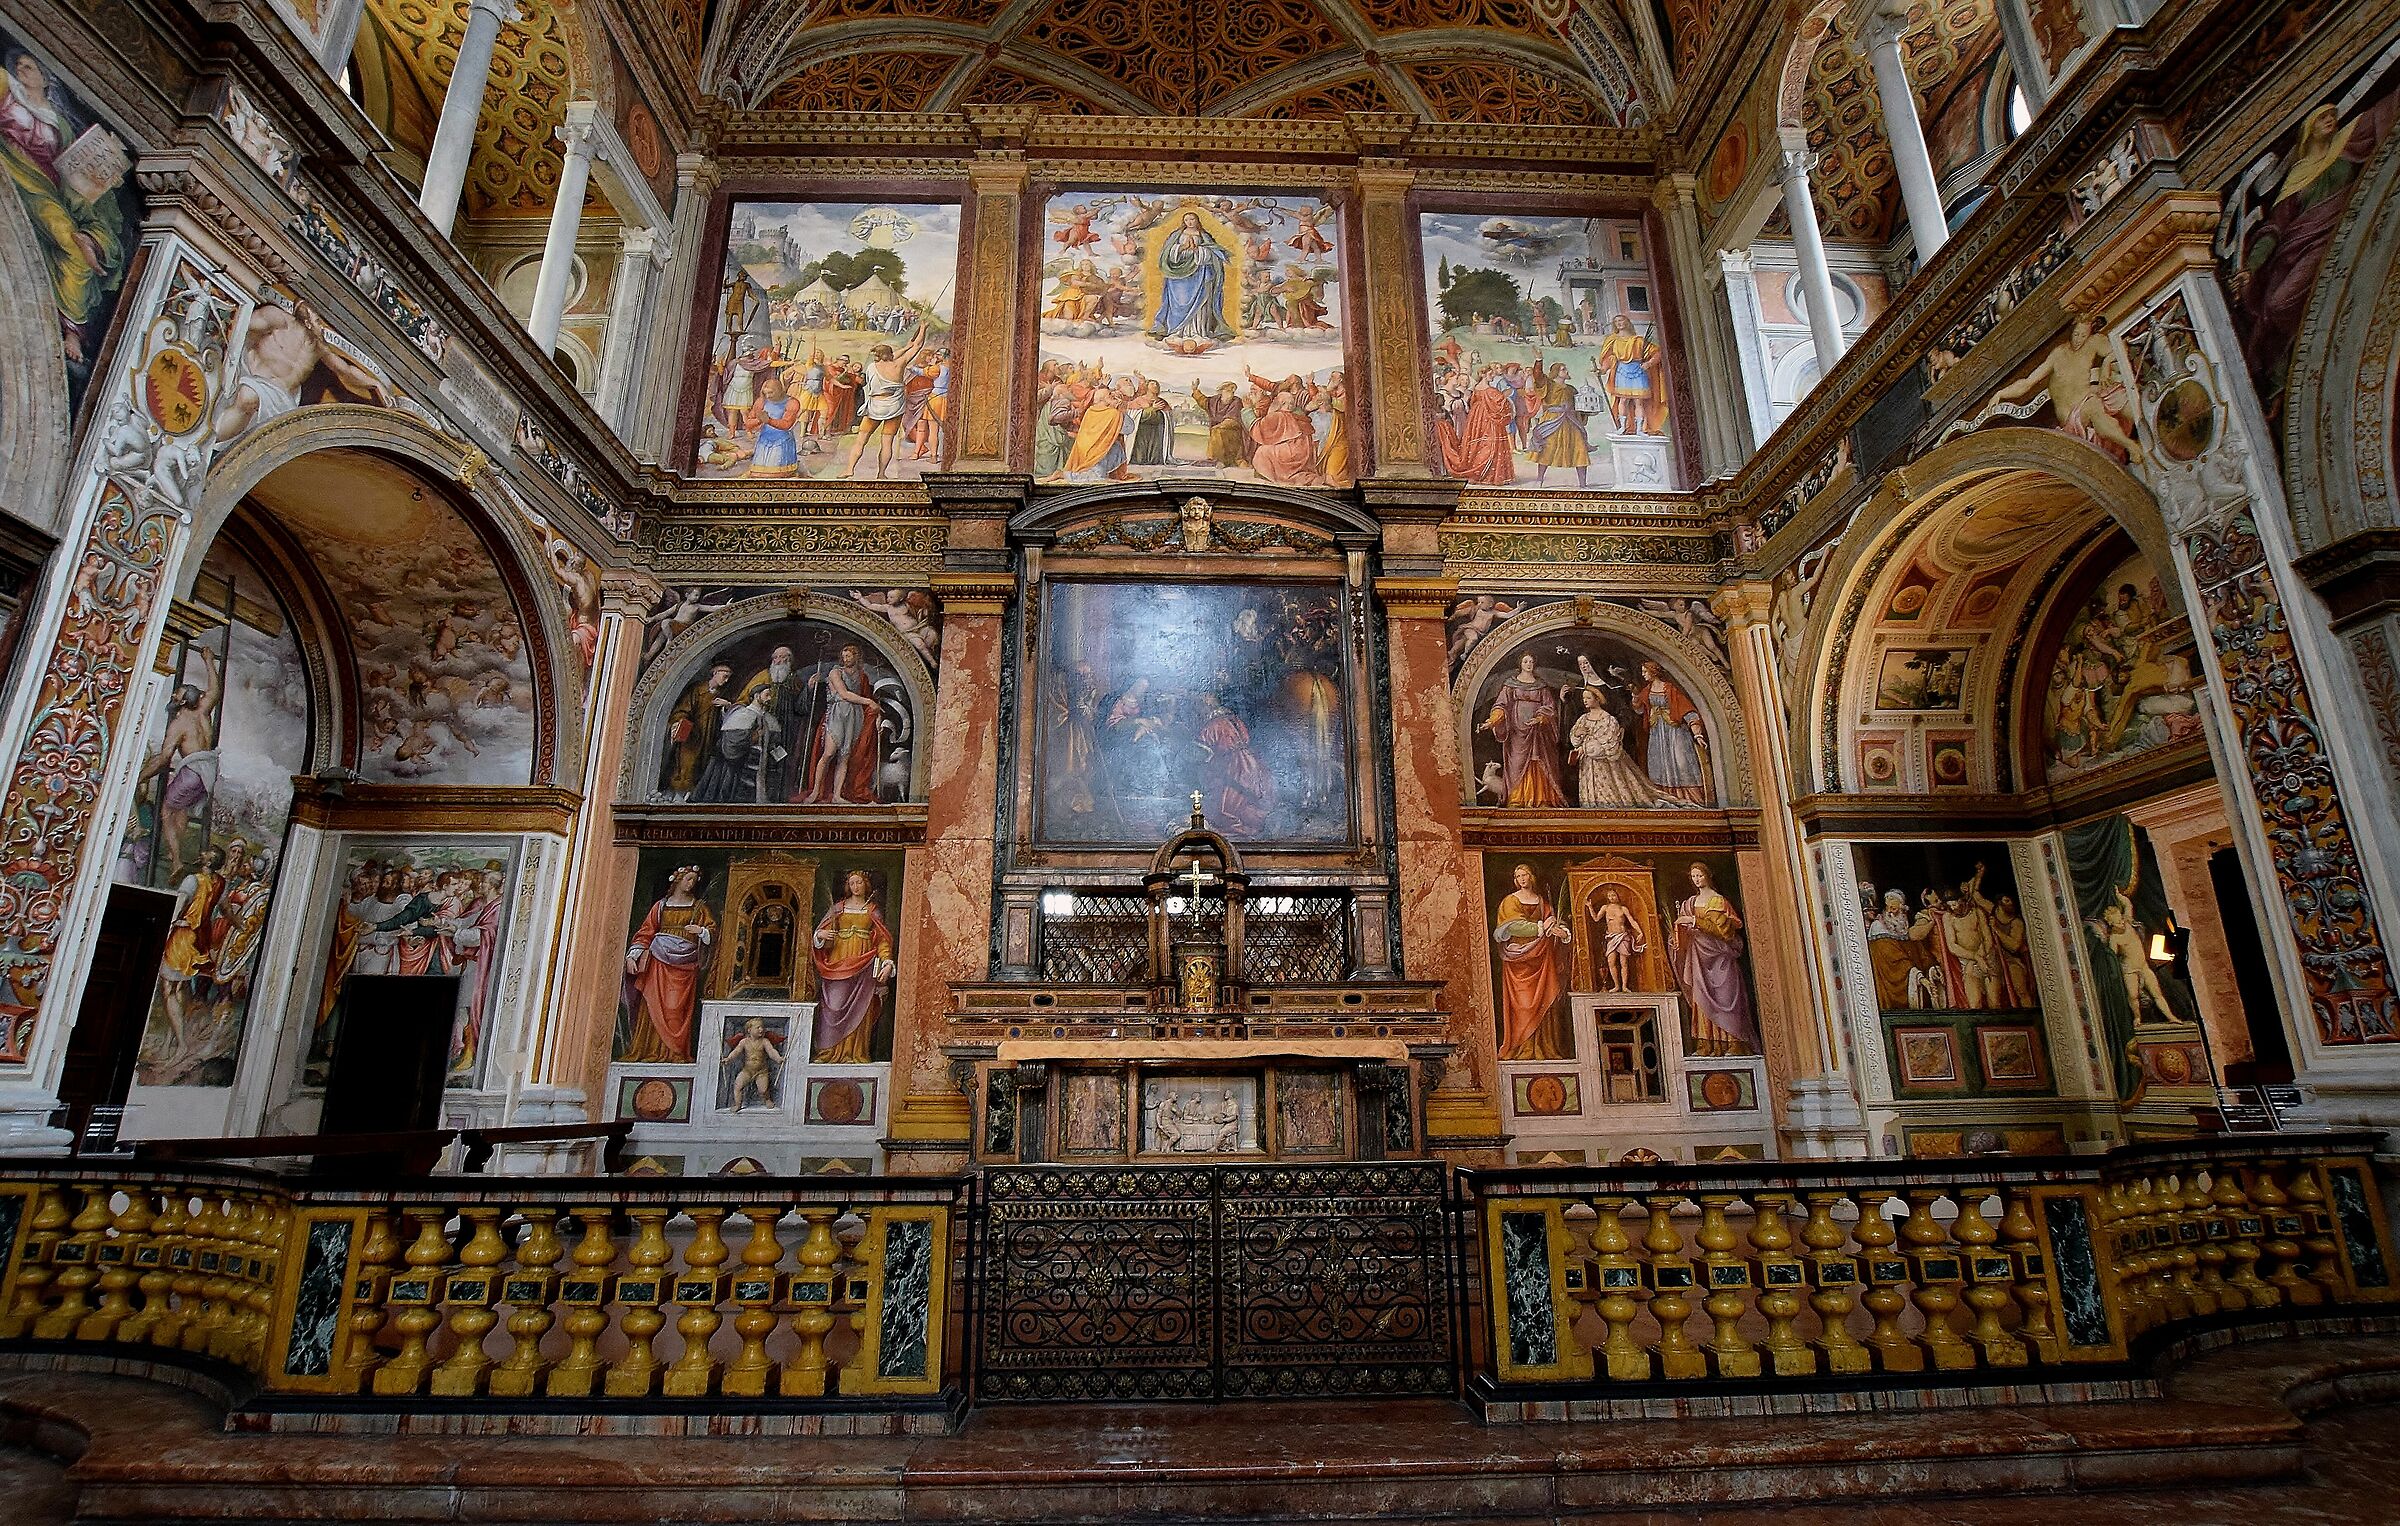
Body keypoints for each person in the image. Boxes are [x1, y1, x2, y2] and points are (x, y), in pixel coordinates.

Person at [134, 647, 221, 880]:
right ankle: (176, 851)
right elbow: (215, 688)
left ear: (183, 702)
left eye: (177, 695)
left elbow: (164, 758)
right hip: (207, 775)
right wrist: (209, 661)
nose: (173, 697)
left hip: (192, 772)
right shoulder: (204, 710)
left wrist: (140, 777)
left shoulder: (179, 725)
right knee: (180, 810)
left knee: (167, 810)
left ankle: (175, 862)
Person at [622, 864, 714, 1062]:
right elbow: (647, 931)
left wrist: (701, 932)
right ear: (678, 880)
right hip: (658, 962)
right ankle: (650, 1051)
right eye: (688, 879)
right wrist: (633, 955)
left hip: (685, 966)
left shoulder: (699, 907)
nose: (691, 883)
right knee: (653, 1006)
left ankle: (675, 1053)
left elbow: (712, 932)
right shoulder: (661, 906)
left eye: (694, 880)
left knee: (675, 1010)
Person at [811, 870, 896, 1064]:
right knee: (833, 1005)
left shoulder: (873, 910)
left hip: (864, 963)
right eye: (852, 883)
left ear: (866, 885)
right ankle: (828, 1053)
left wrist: (887, 963)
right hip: (838, 960)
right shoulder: (838, 908)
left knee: (860, 1008)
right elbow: (822, 932)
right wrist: (820, 936)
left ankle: (854, 1052)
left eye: (859, 883)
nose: (855, 887)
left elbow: (882, 941)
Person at [1670, 863, 1755, 1056]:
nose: (1697, 879)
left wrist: (1693, 921)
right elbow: (1681, 931)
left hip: (1720, 957)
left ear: (1708, 876)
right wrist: (1676, 936)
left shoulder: (1718, 901)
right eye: (1693, 876)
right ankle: (1706, 1043)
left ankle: (1733, 1042)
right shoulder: (1689, 903)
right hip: (1698, 957)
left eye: (1699, 875)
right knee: (1701, 998)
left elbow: (1723, 931)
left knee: (1726, 997)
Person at [1493, 863, 1571, 1060]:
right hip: (1520, 959)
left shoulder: (1542, 901)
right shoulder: (1510, 902)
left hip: (1542, 958)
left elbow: (1553, 920)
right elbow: (1513, 927)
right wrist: (1542, 928)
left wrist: (1561, 932)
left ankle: (1545, 1048)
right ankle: (1522, 1049)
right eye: (1518, 876)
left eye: (1525, 875)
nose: (1522, 879)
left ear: (1531, 877)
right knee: (1524, 1005)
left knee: (1546, 1001)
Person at [839, 320, 932, 480]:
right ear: (889, 355)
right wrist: (922, 329)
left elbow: (888, 357)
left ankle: (849, 469)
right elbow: (916, 347)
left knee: (861, 440)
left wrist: (905, 347)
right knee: (887, 442)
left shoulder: (871, 367)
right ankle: (881, 474)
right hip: (893, 406)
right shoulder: (898, 365)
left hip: (875, 406)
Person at [1479, 652, 1567, 807]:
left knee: (1539, 761)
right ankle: (1517, 798)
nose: (1528, 664)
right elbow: (1501, 706)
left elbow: (1549, 707)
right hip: (1516, 731)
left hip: (1538, 732)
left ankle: (1541, 799)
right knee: (1517, 763)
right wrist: (1492, 722)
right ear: (1520, 664)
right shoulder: (1510, 685)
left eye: (1531, 661)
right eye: (1526, 661)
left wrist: (1539, 718)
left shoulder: (1541, 686)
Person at [799, 643, 883, 804]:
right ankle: (815, 792)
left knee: (844, 757)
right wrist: (868, 702)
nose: (845, 659)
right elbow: (844, 694)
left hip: (854, 715)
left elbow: (865, 697)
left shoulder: (861, 676)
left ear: (856, 657)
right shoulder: (835, 672)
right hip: (837, 714)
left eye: (849, 656)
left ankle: (837, 795)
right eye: (843, 656)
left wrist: (875, 712)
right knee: (829, 753)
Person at [1568, 687, 1673, 808]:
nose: (1585, 701)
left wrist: (1590, 749)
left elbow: (1611, 742)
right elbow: (1574, 740)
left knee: (1608, 790)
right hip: (1587, 764)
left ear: (1597, 699)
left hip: (1605, 764)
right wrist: (1577, 734)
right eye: (1583, 698)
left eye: (1588, 698)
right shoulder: (1583, 719)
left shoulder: (1608, 719)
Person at [1149, 211, 1233, 350]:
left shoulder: (1204, 236)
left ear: (1197, 220)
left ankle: (1198, 332)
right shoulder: (1176, 235)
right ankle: (1177, 332)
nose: (1189, 222)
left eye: (1192, 219)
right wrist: (1182, 247)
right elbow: (1166, 254)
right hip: (1177, 277)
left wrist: (1198, 250)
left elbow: (1213, 253)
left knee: (1200, 303)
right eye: (1186, 219)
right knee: (1177, 304)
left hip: (1199, 273)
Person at [1637, 661, 1712, 804]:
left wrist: (1697, 734)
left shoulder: (1670, 690)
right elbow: (1640, 709)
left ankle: (1692, 799)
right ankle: (1666, 799)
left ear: (1653, 672)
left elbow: (1688, 711)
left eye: (1645, 672)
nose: (1643, 675)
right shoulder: (1646, 691)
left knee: (1682, 763)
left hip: (1675, 732)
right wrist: (1635, 697)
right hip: (1657, 734)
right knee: (1657, 765)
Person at [1593, 314, 1664, 434]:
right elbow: (1609, 358)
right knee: (1623, 400)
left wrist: (1648, 363)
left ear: (1627, 322)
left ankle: (1639, 429)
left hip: (1638, 372)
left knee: (1639, 401)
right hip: (1622, 372)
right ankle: (1622, 427)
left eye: (1621, 320)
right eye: (1616, 321)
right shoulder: (1613, 340)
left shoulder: (1639, 340)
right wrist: (1602, 370)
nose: (1619, 323)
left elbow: (1657, 353)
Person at [1527, 362, 1591, 487]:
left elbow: (1578, 406)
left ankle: (1583, 484)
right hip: (1552, 421)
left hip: (1571, 421)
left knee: (1580, 449)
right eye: (1563, 369)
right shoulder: (1548, 385)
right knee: (1547, 449)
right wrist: (1539, 360)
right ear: (1556, 372)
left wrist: (1586, 413)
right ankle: (1539, 479)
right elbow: (1538, 376)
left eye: (1565, 369)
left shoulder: (1571, 389)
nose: (1566, 371)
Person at [1590, 884, 1646, 993]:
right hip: (1611, 937)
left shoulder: (1623, 908)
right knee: (1611, 962)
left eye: (1614, 895)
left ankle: (1624, 986)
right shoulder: (1605, 908)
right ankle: (1616, 986)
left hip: (1623, 936)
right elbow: (1596, 918)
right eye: (1610, 896)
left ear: (1617, 896)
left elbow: (1632, 920)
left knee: (1623, 962)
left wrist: (1640, 932)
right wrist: (1590, 907)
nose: (1612, 897)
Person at [723, 1016, 785, 1111]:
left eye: (762, 1027)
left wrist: (778, 1058)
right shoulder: (744, 1042)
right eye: (758, 1027)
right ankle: (737, 1104)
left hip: (761, 1071)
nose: (761, 1029)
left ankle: (767, 1099)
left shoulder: (765, 1041)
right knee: (737, 1086)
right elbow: (736, 1051)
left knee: (763, 1090)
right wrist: (728, 1059)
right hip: (747, 1070)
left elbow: (771, 1051)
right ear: (749, 1030)